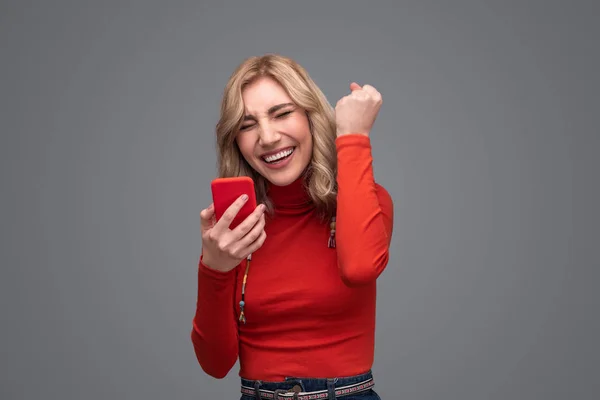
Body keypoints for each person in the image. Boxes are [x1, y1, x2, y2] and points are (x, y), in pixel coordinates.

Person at [191, 53, 394, 400]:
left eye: (282, 113)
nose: (267, 137)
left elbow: (359, 268)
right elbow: (215, 362)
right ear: (235, 140)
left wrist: (353, 136)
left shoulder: (363, 201)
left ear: (311, 117)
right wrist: (214, 268)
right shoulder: (236, 227)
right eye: (247, 124)